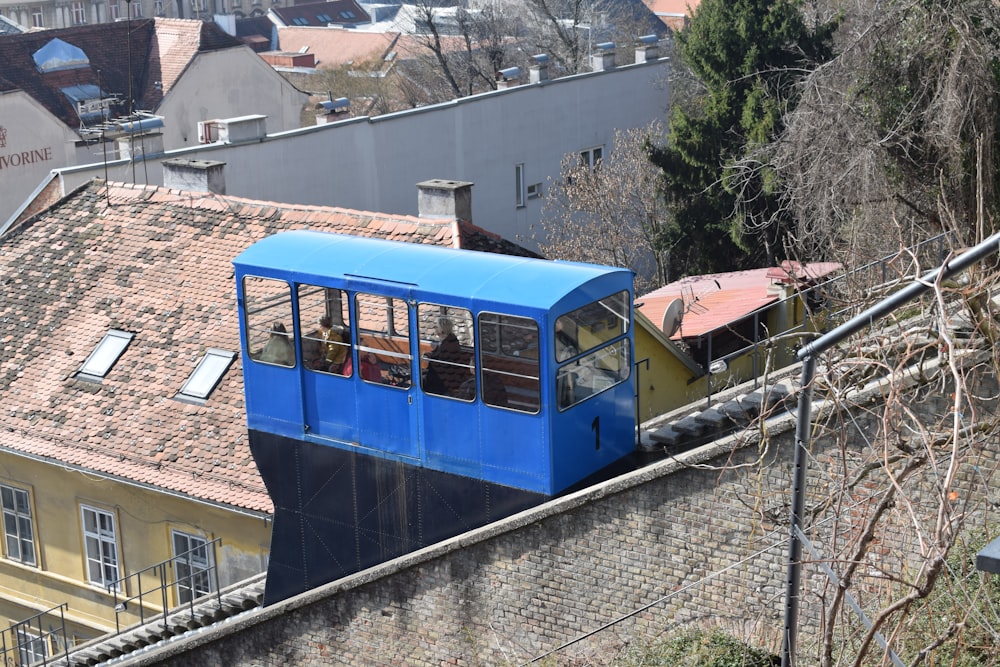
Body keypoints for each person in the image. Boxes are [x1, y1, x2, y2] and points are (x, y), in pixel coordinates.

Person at [423, 318, 468, 397]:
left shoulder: (449, 342)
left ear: (442, 329)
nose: (435, 329)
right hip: (442, 373)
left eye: (437, 327)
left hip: (445, 377)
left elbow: (444, 362)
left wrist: (429, 360)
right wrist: (430, 355)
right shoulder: (445, 340)